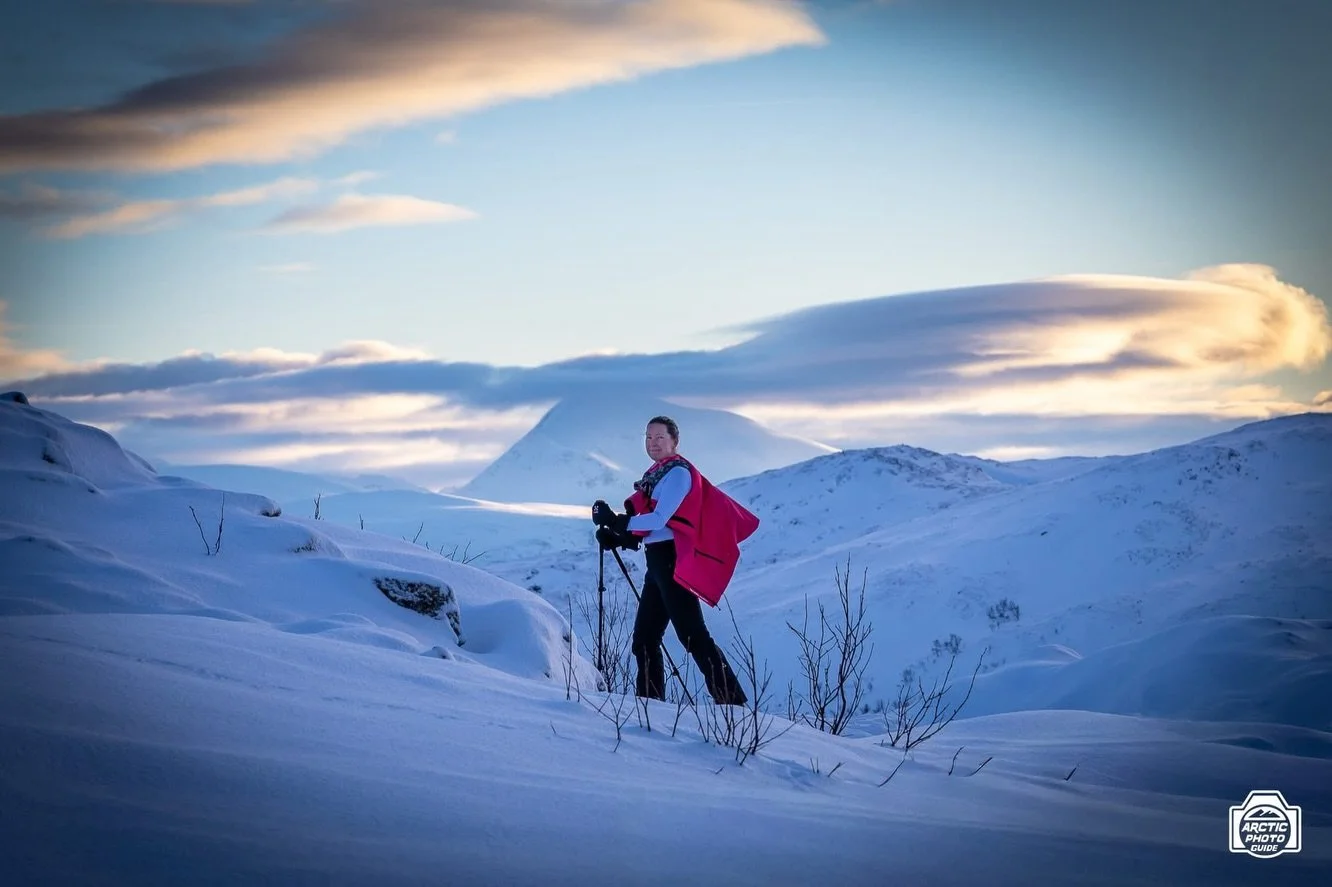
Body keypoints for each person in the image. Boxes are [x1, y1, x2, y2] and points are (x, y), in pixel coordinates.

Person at [592, 415, 759, 705]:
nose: (653, 443)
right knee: (645, 640)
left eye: (659, 437)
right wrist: (619, 537)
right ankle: (649, 705)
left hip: (671, 563)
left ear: (674, 442)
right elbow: (657, 529)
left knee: (691, 636)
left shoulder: (678, 474)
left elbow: (660, 519)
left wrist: (617, 522)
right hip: (657, 564)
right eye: (648, 437)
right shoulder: (657, 475)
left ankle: (732, 703)